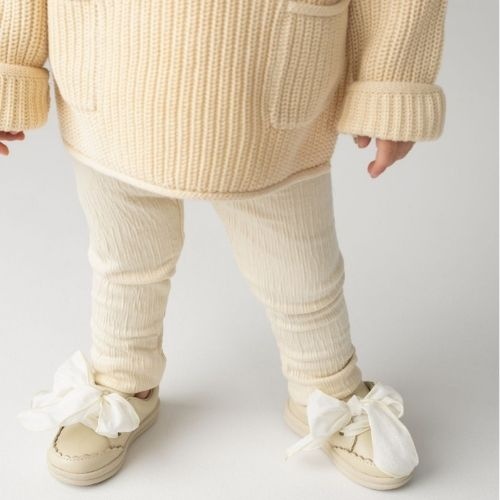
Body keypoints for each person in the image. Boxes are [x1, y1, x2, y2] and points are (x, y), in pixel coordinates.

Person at [1, 0, 448, 490]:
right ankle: (121, 377)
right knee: (124, 257)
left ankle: (324, 385)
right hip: (109, 64)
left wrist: (392, 79)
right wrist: (7, 61)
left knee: (299, 267)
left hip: (267, 74)